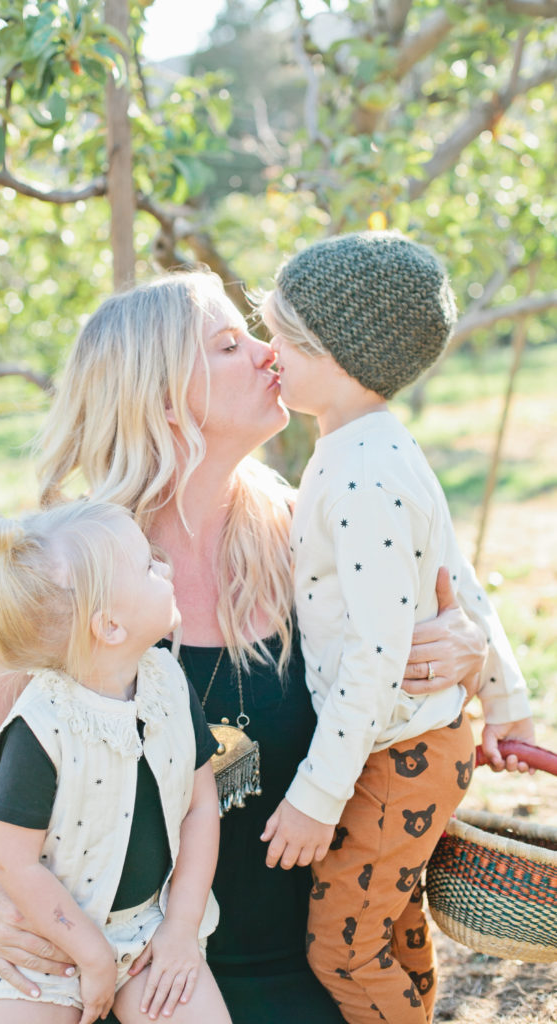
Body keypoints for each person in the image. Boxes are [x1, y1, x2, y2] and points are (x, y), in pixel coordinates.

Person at [0, 269, 501, 1024]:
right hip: (115, 965)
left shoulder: (314, 533)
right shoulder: (67, 570)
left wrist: (465, 648)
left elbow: (432, 626)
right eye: (231, 344)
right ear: (165, 398)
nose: (271, 354)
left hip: (297, 958)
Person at [258, 232, 535, 1024]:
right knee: (387, 920)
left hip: (391, 756)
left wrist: (316, 794)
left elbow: (379, 655)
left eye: (282, 335)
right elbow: (462, 583)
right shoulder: (380, 446)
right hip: (414, 745)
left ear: (338, 356)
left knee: (342, 949)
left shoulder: (357, 474)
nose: (266, 350)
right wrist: (505, 703)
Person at [0, 498, 229, 1024]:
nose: (165, 568)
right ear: (109, 627)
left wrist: (179, 929)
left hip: (146, 928)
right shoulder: (41, 729)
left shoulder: (167, 684)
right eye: (149, 567)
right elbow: (14, 862)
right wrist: (90, 955)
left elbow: (199, 806)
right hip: (48, 939)